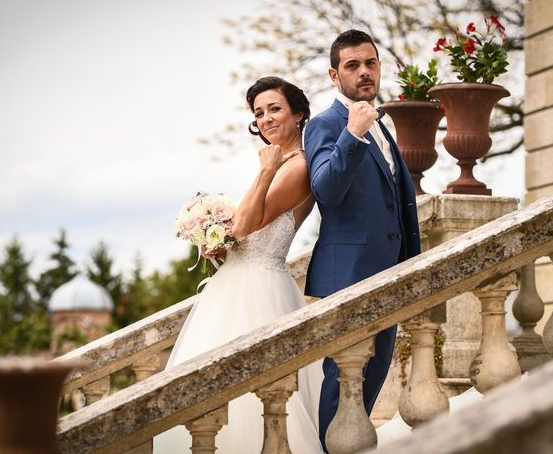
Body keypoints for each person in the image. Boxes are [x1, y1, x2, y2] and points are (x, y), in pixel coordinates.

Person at [153, 76, 323, 453]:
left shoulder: (297, 167)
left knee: (254, 389)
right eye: (259, 113)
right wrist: (216, 241)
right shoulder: (281, 162)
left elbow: (245, 224)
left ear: (298, 114)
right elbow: (247, 233)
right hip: (235, 282)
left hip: (259, 289)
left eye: (275, 109)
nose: (266, 119)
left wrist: (264, 170)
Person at [303, 29, 421, 452]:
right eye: (353, 65)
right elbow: (326, 190)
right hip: (348, 276)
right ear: (335, 75)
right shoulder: (324, 125)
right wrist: (352, 136)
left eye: (370, 63)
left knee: (370, 382)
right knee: (344, 384)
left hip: (390, 273)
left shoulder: (383, 126)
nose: (364, 72)